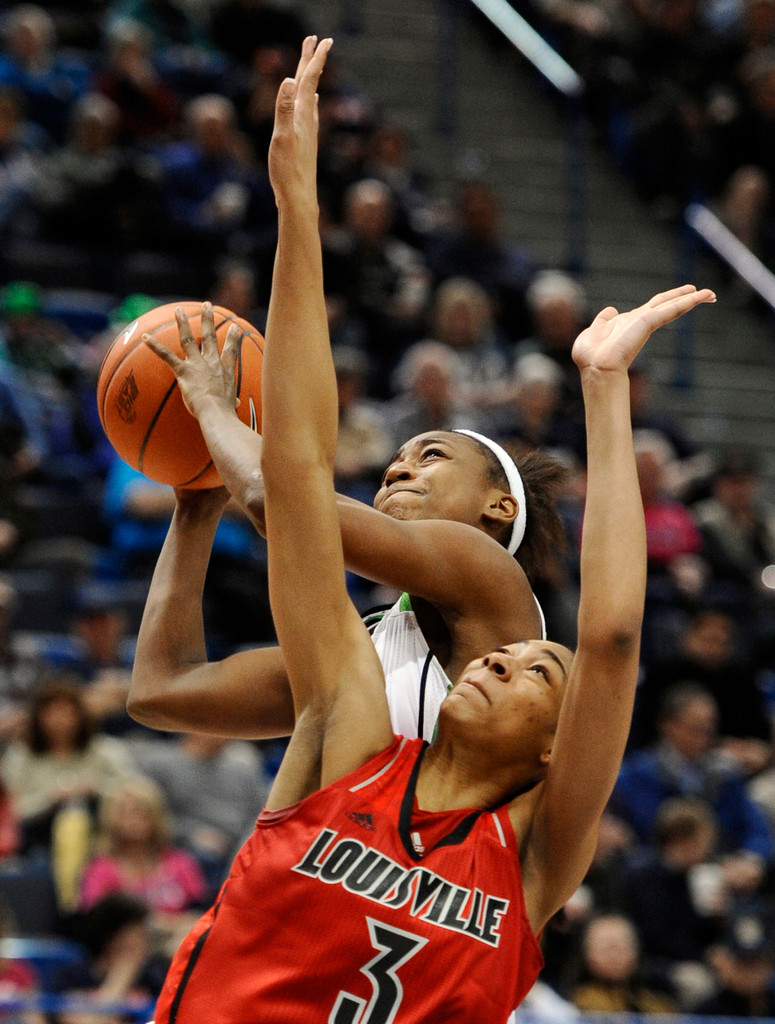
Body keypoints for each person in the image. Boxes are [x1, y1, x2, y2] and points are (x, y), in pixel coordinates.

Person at [140, 36, 715, 1022]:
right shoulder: (359, 681)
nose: (402, 464)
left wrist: (216, 419)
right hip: (334, 817)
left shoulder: (488, 586)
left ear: (498, 507)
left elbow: (294, 493)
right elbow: (164, 687)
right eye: (397, 454)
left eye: (432, 455)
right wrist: (195, 500)